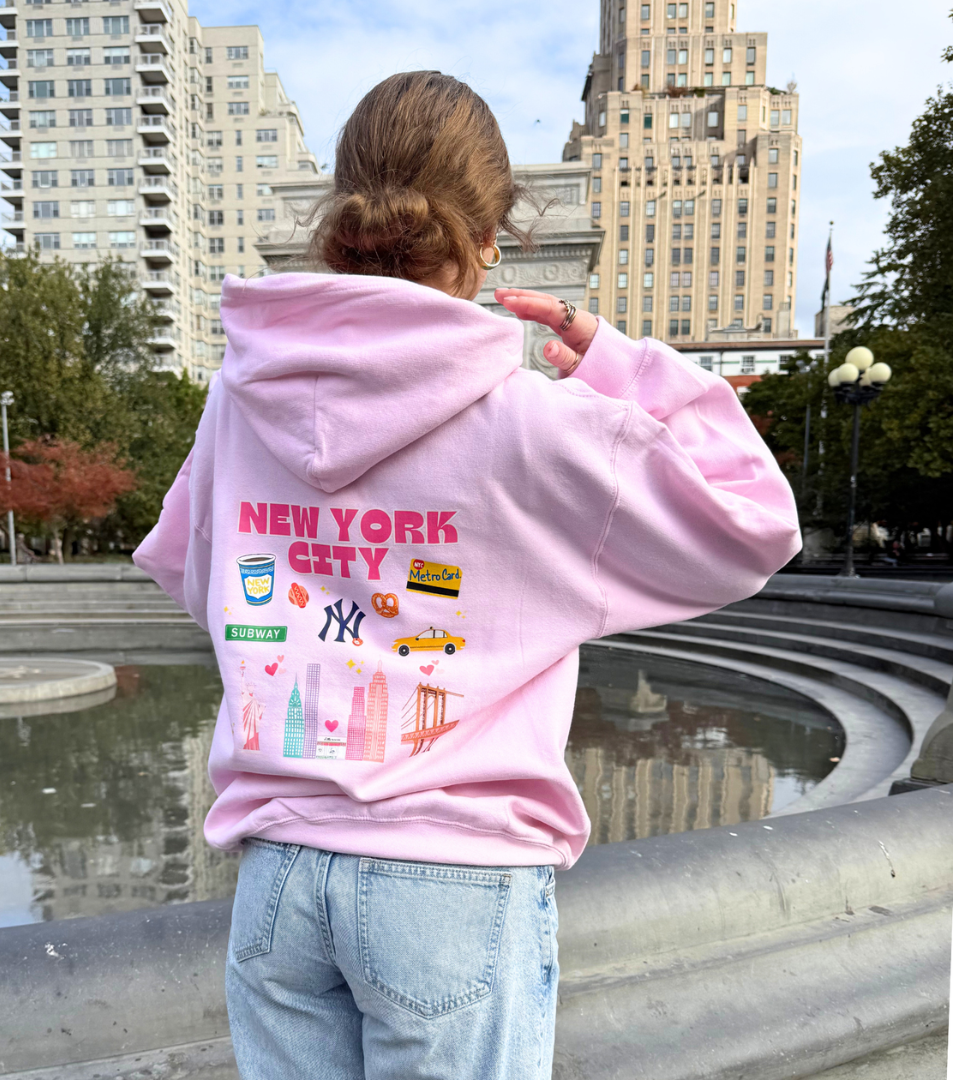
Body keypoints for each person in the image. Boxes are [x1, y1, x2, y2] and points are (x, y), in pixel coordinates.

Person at [134, 72, 800, 1080]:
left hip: (278, 875)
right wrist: (628, 371)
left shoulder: (238, 397)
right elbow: (755, 524)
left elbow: (197, 575)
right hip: (452, 876)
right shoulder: (535, 422)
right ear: (490, 239)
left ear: (342, 217)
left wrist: (327, 606)